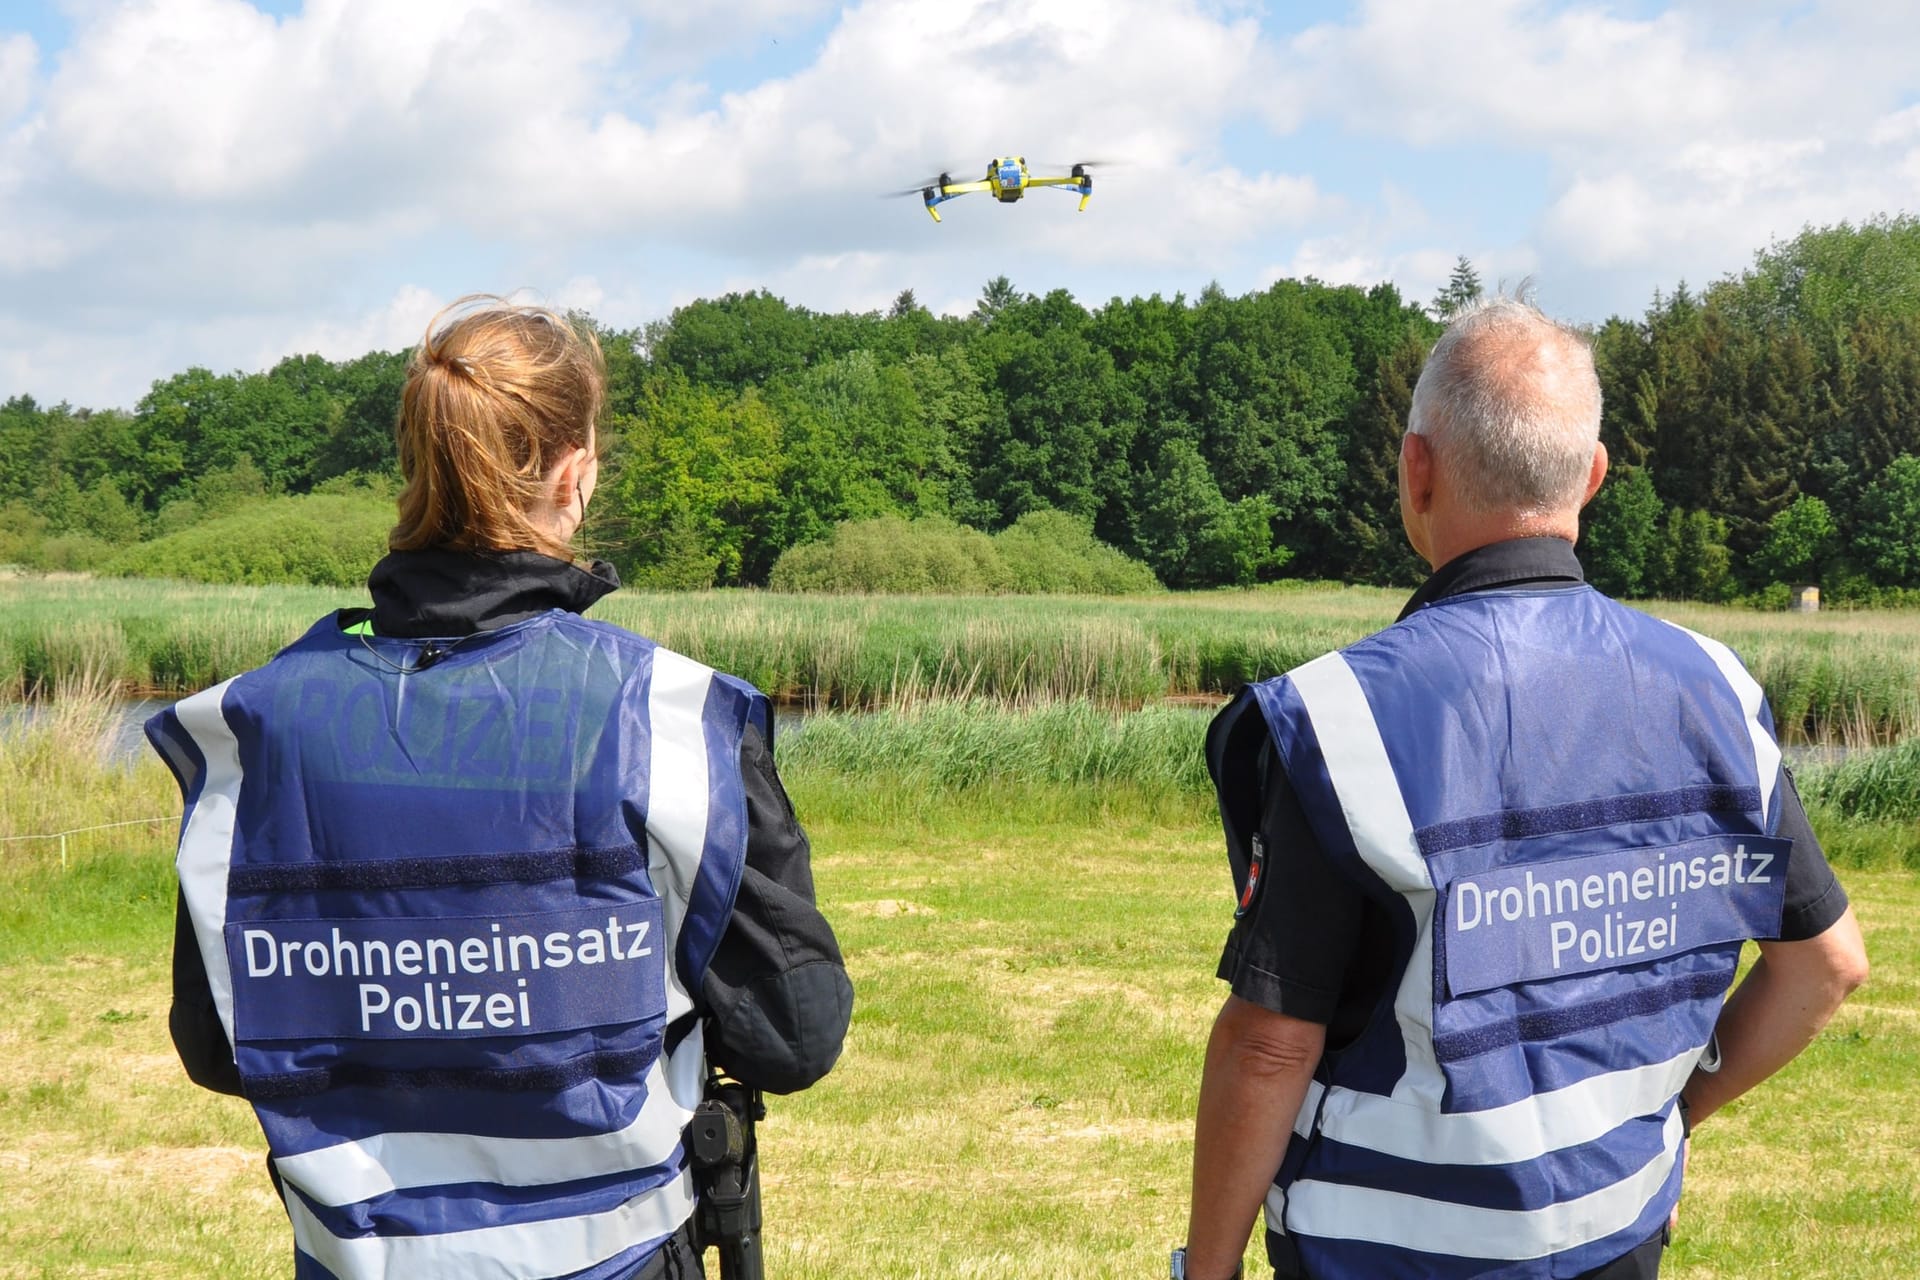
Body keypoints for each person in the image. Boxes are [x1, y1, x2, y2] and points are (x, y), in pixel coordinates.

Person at [150, 297, 852, 1280]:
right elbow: (795, 1031)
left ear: (416, 468)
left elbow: (220, 1043)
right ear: (577, 472)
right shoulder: (672, 717)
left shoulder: (253, 727)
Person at [1177, 295, 1868, 1280]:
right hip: (1619, 1233)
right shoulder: (1716, 686)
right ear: (1591, 476)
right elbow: (1825, 963)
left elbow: (1268, 1048)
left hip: (1378, 1255)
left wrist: (1206, 1269)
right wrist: (1667, 1117)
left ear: (1416, 469)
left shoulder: (1342, 719)